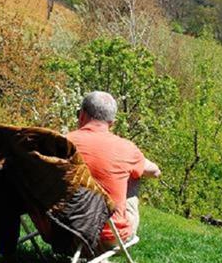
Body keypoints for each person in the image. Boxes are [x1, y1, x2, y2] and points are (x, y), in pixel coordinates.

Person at [65, 91, 160, 242]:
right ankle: (110, 235)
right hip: (108, 238)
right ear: (112, 123)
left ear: (82, 114)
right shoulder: (126, 148)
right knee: (135, 175)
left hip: (60, 231)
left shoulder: (61, 142)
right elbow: (155, 172)